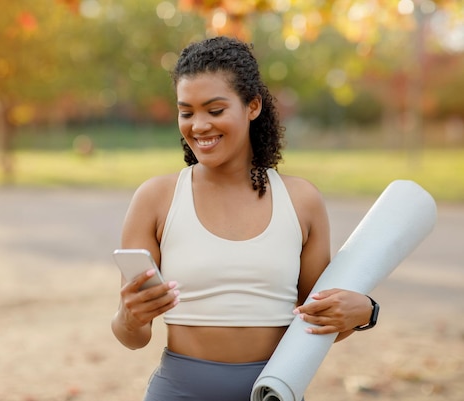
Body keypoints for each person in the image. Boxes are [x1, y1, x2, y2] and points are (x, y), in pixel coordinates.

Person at [111, 36, 378, 401]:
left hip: (273, 391)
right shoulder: (156, 199)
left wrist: (364, 310)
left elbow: (319, 320)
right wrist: (130, 316)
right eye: (186, 112)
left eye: (215, 110)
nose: (198, 126)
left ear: (252, 106)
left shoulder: (301, 201)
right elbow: (132, 337)